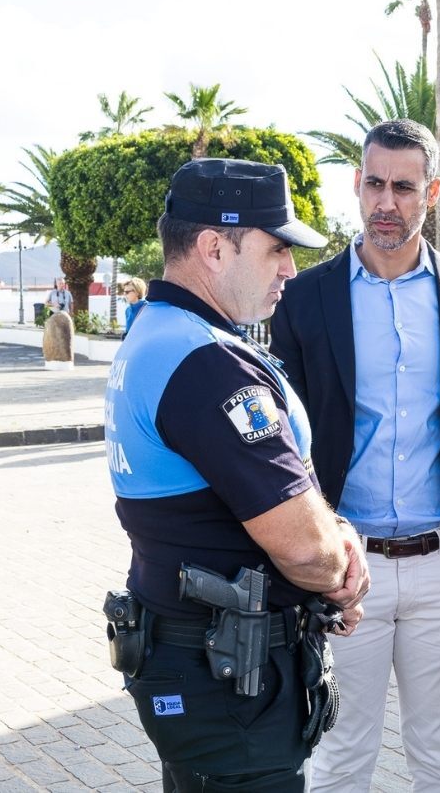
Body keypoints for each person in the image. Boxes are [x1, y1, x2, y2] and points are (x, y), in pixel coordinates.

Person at [270, 118, 440, 792]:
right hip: (343, 571)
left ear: (432, 192)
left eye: (404, 188)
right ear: (357, 185)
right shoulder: (304, 297)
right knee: (338, 758)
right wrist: (308, 551)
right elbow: (283, 438)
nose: (387, 203)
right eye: (375, 184)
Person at [104, 158, 370, 792]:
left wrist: (329, 531)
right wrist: (338, 570)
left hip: (202, 669)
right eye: (276, 248)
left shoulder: (164, 334)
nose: (290, 269)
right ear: (213, 248)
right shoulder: (206, 364)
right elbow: (306, 550)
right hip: (231, 686)